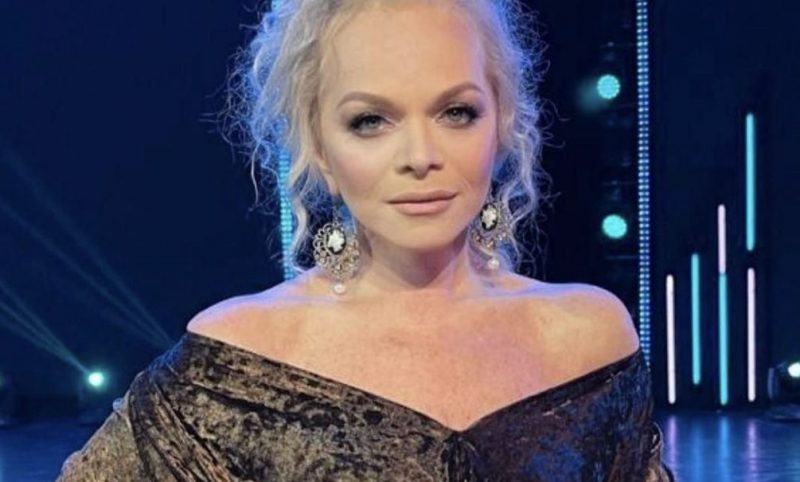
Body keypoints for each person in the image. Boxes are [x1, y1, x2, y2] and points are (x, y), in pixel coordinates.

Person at [57, 0, 674, 480]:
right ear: (320, 150)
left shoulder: (587, 340)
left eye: (456, 112)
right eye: (370, 121)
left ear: (501, 123)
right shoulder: (237, 361)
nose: (420, 156)